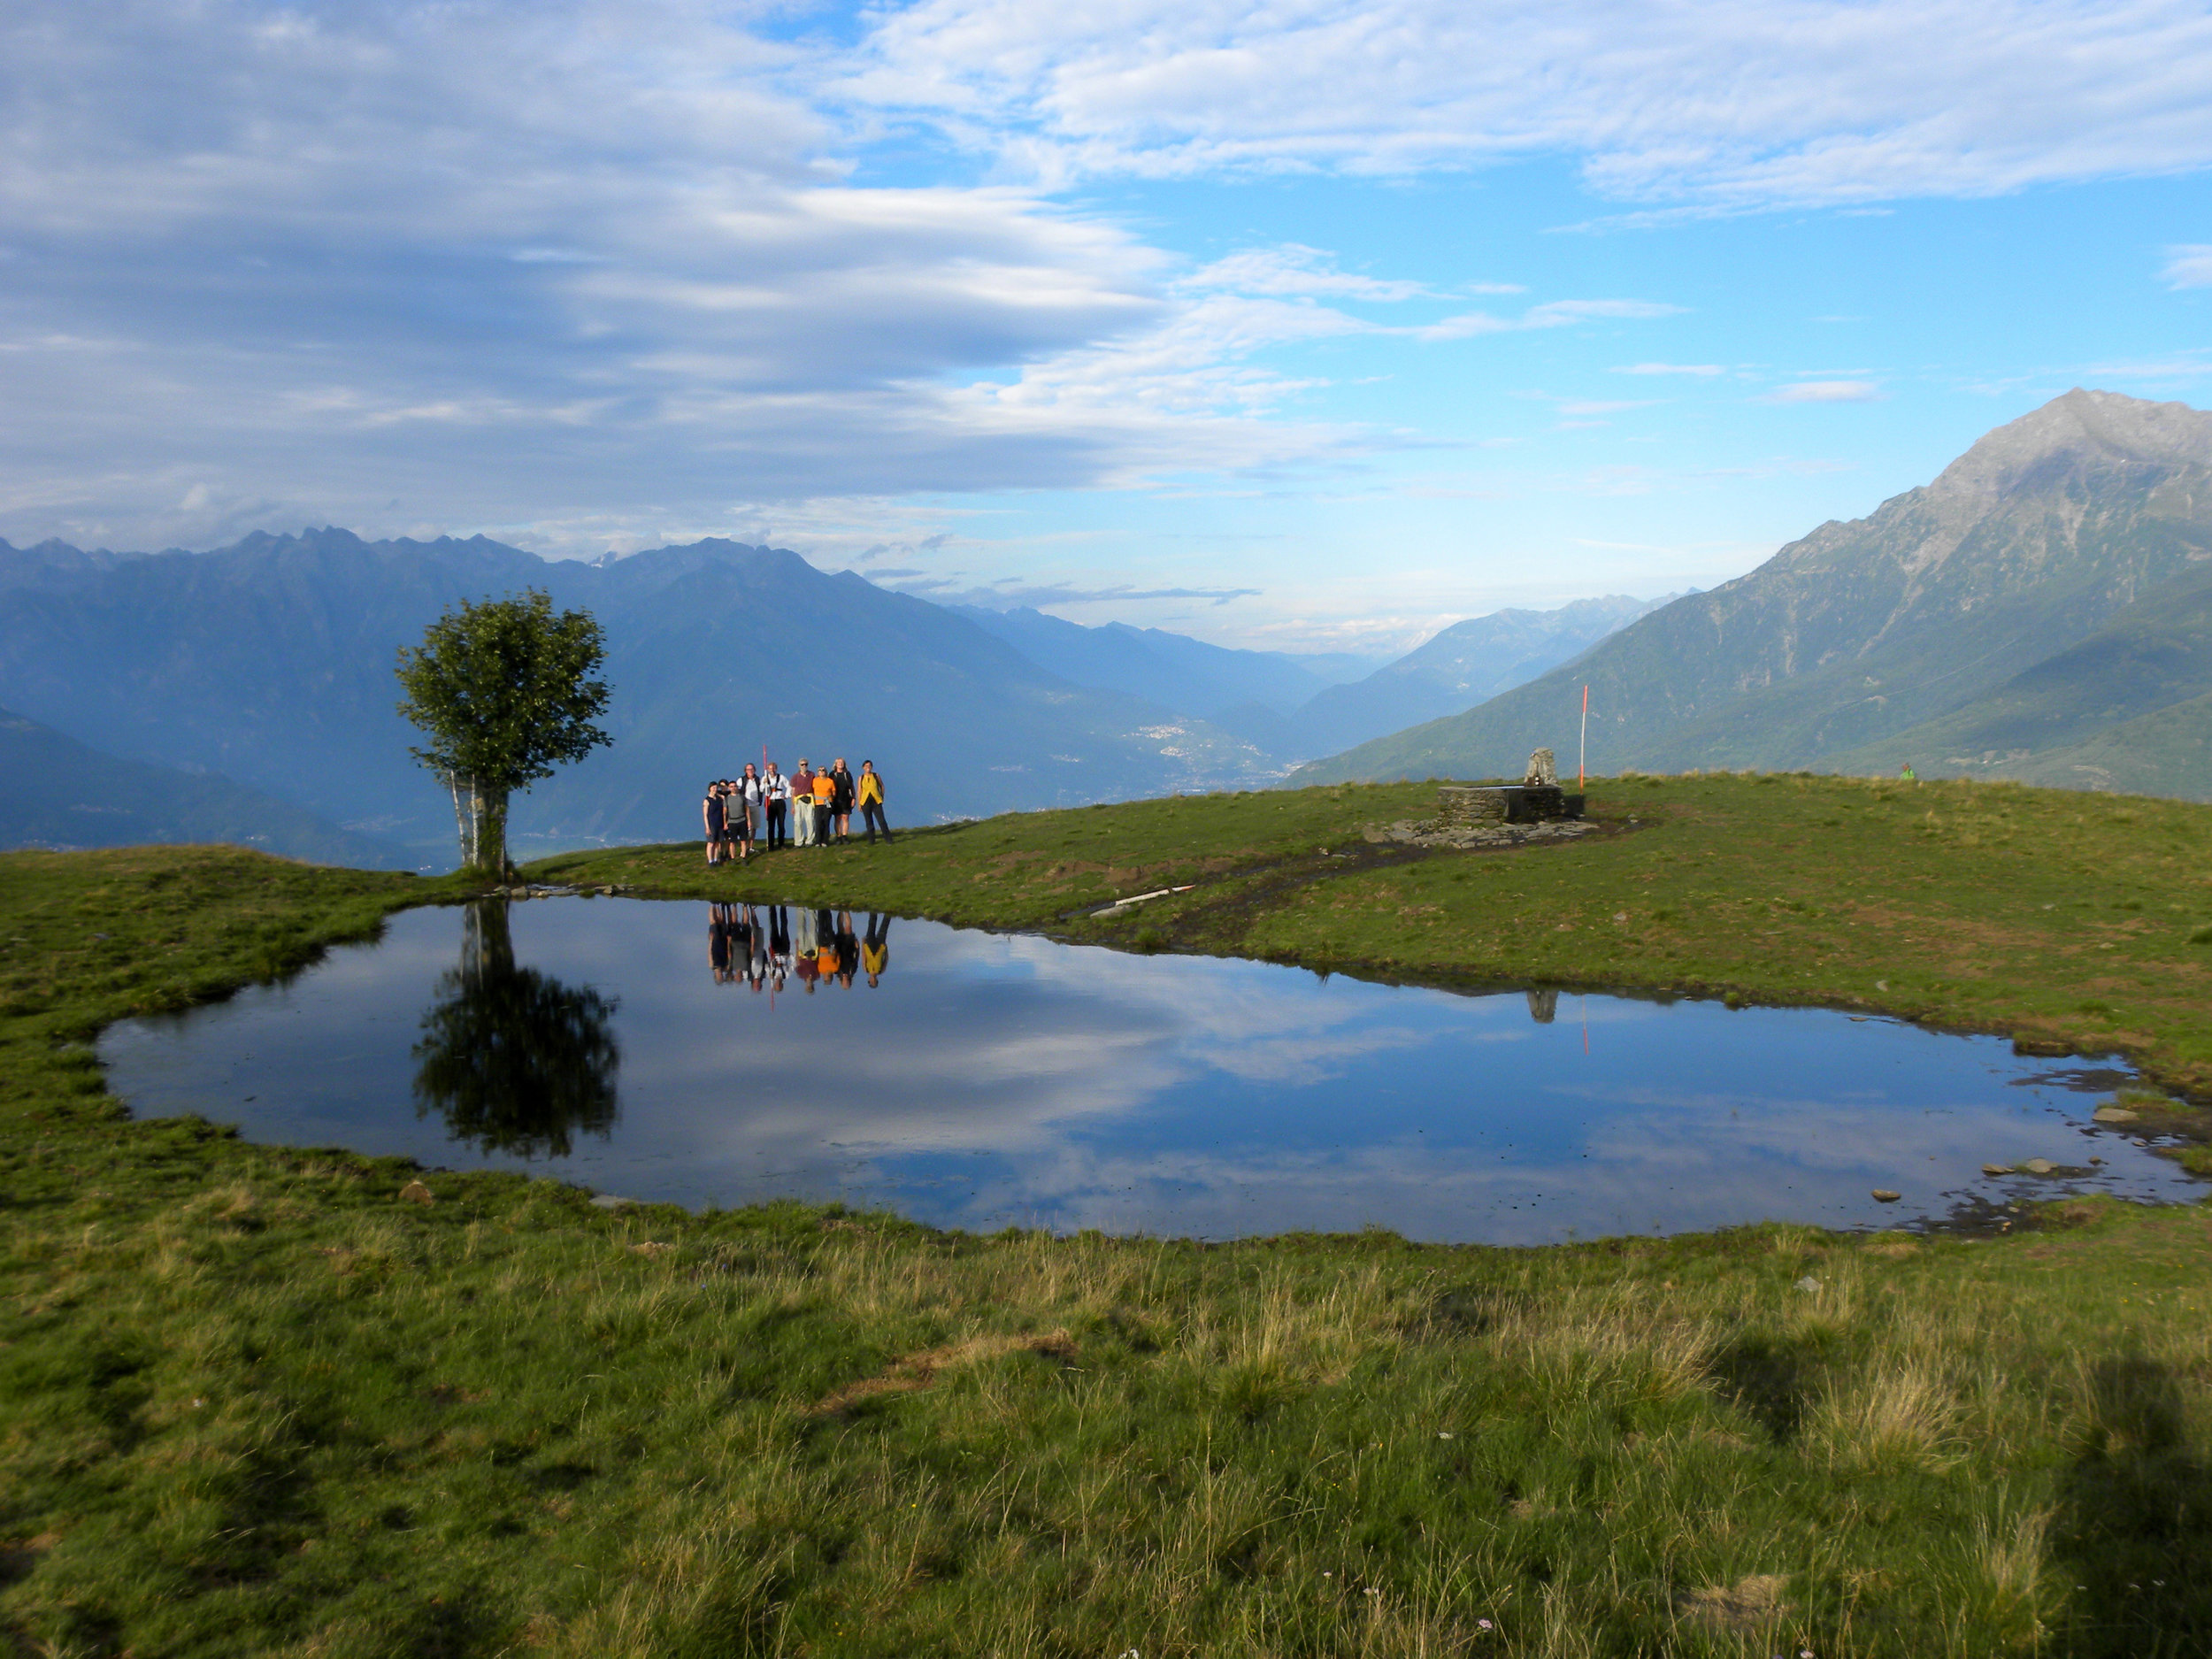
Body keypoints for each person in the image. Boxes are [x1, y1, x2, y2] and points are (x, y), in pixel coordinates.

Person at [856, 761, 892, 843]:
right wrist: (859, 804)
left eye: (869, 765)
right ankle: (871, 840)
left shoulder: (876, 776)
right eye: (866, 766)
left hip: (876, 801)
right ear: (863, 767)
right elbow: (859, 791)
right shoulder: (861, 778)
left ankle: (888, 839)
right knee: (869, 822)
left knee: (881, 821)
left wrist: (881, 797)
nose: (868, 767)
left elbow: (882, 786)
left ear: (871, 767)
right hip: (865, 802)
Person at [733, 764, 763, 861]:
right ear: (745, 770)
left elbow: (762, 789)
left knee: (754, 827)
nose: (750, 771)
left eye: (752, 769)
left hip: (755, 805)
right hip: (745, 807)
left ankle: (750, 847)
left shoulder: (758, 780)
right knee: (746, 828)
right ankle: (744, 849)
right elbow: (736, 791)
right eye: (748, 769)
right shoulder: (741, 780)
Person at [763, 763, 790, 850]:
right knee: (771, 825)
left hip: (780, 802)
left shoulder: (781, 777)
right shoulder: (765, 778)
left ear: (776, 768)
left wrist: (786, 795)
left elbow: (789, 786)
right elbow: (761, 790)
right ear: (768, 769)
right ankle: (771, 846)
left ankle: (781, 844)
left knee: (781, 824)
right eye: (770, 768)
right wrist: (764, 784)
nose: (772, 770)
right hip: (770, 803)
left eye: (773, 768)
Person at [790, 758, 817, 847]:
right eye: (802, 764)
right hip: (799, 800)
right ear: (799, 765)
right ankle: (798, 842)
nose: (804, 766)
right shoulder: (795, 777)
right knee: (798, 821)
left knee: (810, 820)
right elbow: (793, 791)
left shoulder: (812, 775)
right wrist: (793, 806)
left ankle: (810, 841)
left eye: (805, 764)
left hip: (809, 799)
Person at [829, 758, 856, 843]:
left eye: (842, 763)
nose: (840, 764)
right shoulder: (832, 774)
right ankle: (838, 836)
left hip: (846, 799)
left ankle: (844, 836)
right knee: (837, 818)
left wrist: (854, 798)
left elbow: (852, 787)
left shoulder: (847, 774)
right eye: (839, 763)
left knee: (845, 817)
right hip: (836, 799)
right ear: (835, 764)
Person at [702, 779, 726, 866]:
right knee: (711, 843)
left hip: (720, 823)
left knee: (717, 843)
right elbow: (705, 815)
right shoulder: (707, 800)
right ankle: (710, 861)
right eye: (713, 787)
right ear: (709, 788)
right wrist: (707, 827)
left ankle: (716, 859)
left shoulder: (719, 799)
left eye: (716, 787)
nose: (714, 789)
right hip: (712, 824)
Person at [862, 912, 890, 987]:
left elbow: (864, 957)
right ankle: (889, 912)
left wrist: (863, 944)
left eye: (872, 981)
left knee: (871, 926)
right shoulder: (881, 971)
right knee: (884, 928)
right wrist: (886, 949)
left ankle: (873, 911)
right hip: (880, 948)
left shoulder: (866, 970)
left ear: (869, 980)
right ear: (877, 980)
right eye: (875, 981)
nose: (873, 980)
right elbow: (886, 959)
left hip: (869, 947)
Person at [810, 764, 836, 846]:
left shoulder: (830, 781)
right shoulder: (815, 780)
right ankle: (818, 841)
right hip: (818, 804)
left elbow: (834, 791)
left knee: (826, 822)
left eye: (823, 770)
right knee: (818, 822)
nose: (821, 772)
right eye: (820, 770)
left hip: (827, 803)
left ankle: (825, 841)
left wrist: (830, 797)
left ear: (826, 772)